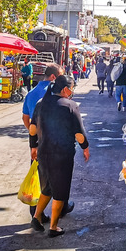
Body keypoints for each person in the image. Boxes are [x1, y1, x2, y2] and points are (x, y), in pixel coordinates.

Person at [29, 75, 90, 237]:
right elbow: (79, 134)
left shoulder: (41, 104)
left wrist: (33, 146)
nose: (72, 91)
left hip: (43, 152)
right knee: (60, 191)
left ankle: (36, 217)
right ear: (65, 89)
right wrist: (85, 148)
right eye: (72, 88)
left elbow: (32, 130)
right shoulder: (70, 106)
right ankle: (54, 227)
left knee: (48, 187)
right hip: (62, 154)